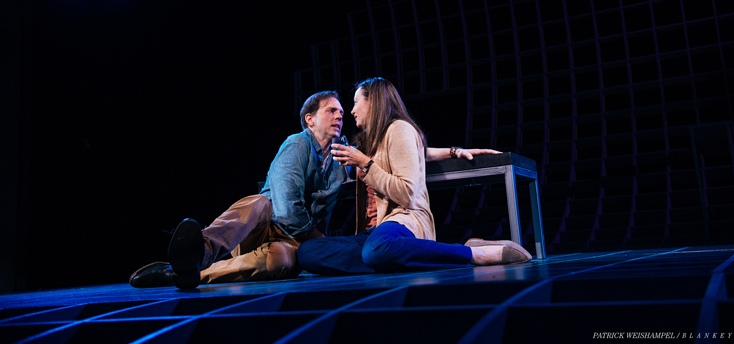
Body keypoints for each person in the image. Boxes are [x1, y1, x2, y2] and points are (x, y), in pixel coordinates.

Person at [129, 90, 498, 289]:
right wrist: (318, 237)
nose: (342, 116)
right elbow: (287, 208)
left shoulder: (340, 158)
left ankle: (186, 275)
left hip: (293, 237)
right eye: (332, 111)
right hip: (267, 221)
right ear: (310, 119)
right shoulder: (296, 144)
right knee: (258, 203)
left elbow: (399, 151)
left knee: (284, 262)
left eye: (345, 109)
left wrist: (451, 151)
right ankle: (203, 250)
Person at [297, 77, 532, 275]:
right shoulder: (373, 141)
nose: (351, 110)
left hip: (402, 221)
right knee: (307, 252)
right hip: (373, 234)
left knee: (377, 250)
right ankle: (396, 258)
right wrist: (451, 151)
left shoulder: (399, 128)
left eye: (356, 102)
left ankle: (474, 253)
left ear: (374, 102)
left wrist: (364, 164)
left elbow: (406, 194)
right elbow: (416, 152)